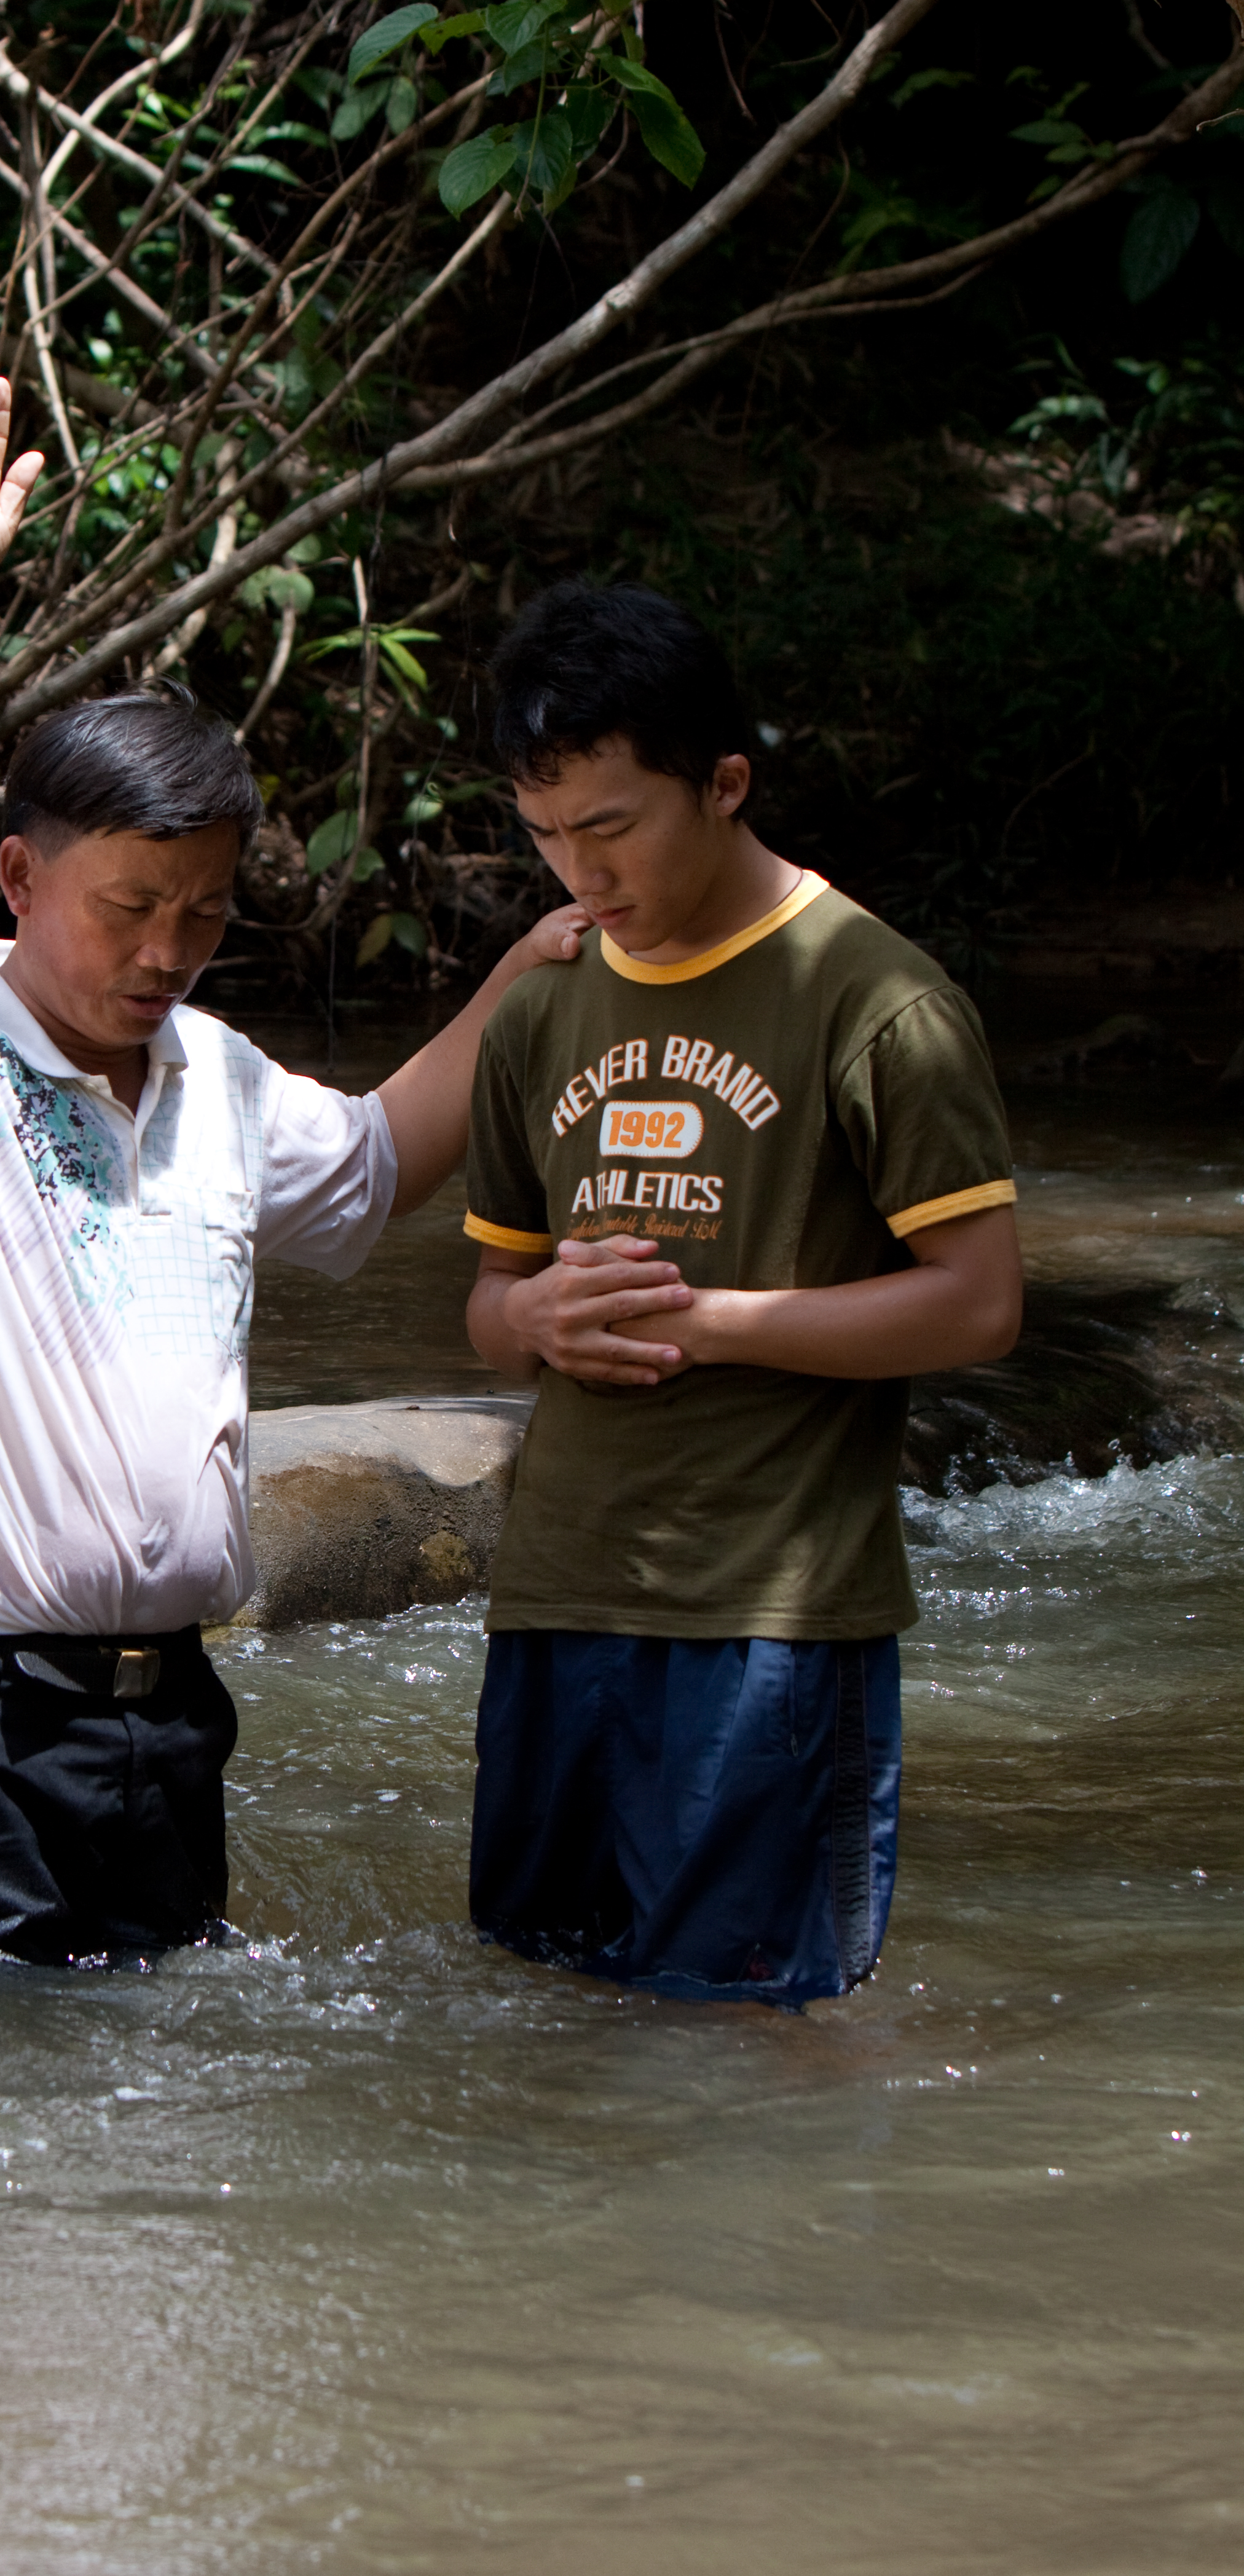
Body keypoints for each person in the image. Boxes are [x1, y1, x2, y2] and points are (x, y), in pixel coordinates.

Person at [0, 357, 595, 1964]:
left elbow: (370, 1169)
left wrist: (531, 975)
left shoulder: (217, 1075)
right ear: (21, 877)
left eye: (207, 911)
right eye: (130, 906)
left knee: (145, 2145)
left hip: (166, 1714)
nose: (169, 950)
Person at [461, 580, 1023, 2009]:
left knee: (747, 2051)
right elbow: (490, 1303)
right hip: (559, 1595)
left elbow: (977, 1306)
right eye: (543, 835)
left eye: (610, 826)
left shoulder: (876, 1001)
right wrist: (530, 1321)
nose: (579, 873)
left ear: (723, 784)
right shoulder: (543, 1005)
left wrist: (712, 1326)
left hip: (771, 1623)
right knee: (543, 2022)